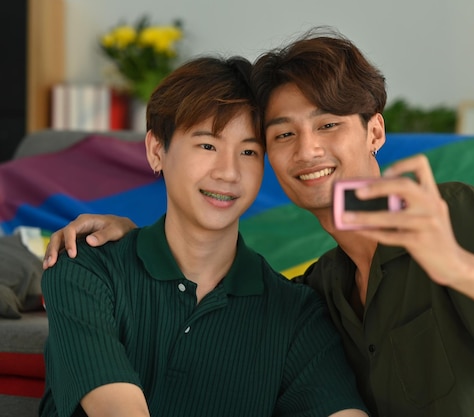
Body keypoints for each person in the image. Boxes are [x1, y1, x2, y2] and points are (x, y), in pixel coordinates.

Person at [43, 29, 474, 416]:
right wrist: (125, 235)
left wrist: (452, 263)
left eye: (329, 124)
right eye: (283, 134)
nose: (307, 150)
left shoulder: (447, 211)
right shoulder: (323, 291)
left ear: (375, 134)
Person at [38, 55, 369, 417]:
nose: (228, 173)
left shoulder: (296, 313)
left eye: (248, 151)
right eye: (208, 145)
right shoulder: (84, 266)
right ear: (156, 150)